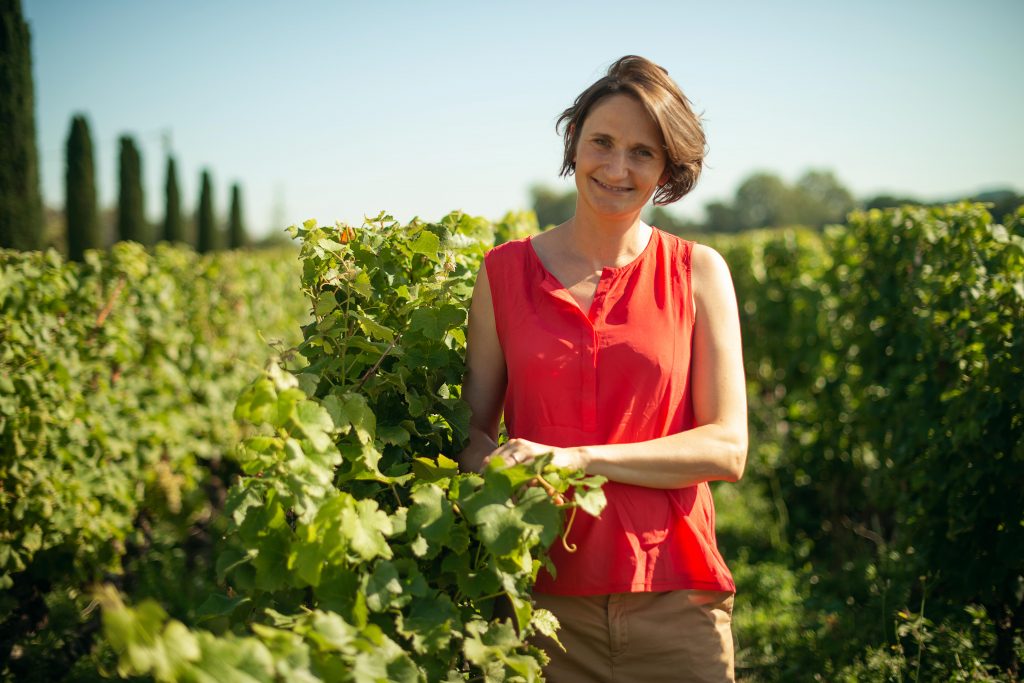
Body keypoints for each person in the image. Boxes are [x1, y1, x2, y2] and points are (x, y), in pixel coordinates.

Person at [458, 55, 747, 682]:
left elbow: (727, 448)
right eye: (603, 142)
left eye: (643, 153)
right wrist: (499, 464)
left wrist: (579, 460)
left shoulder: (698, 273)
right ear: (574, 143)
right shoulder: (501, 274)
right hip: (537, 603)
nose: (617, 168)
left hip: (676, 597)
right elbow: (472, 432)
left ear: (668, 169)